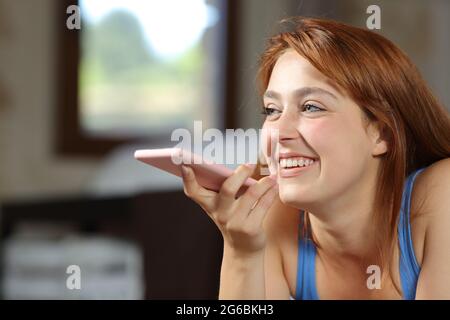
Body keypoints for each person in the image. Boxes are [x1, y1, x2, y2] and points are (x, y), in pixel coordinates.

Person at [180, 17, 450, 299]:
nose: (279, 132)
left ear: (381, 134)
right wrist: (241, 249)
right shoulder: (274, 221)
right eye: (272, 110)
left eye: (311, 107)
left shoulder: (442, 195)